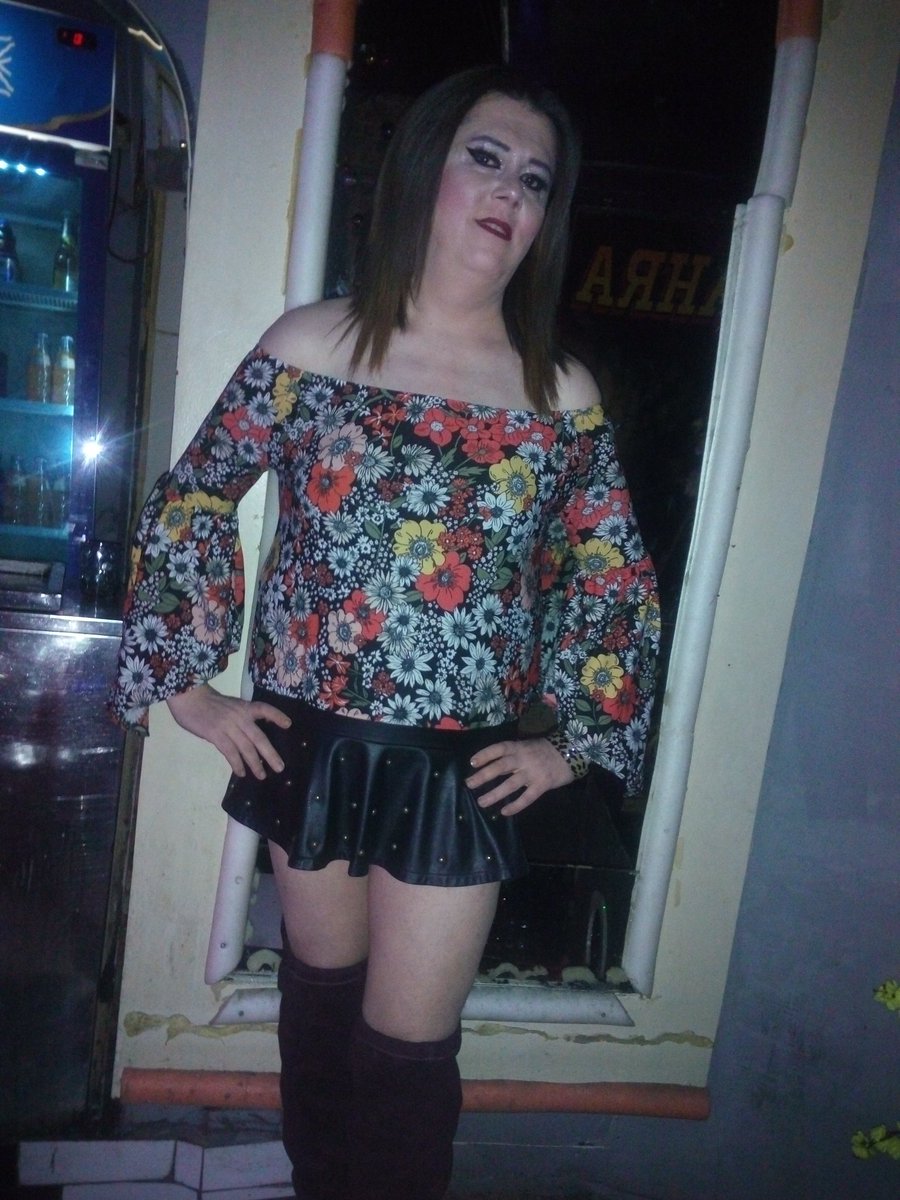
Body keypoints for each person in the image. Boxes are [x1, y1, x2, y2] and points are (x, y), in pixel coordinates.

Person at [110, 66, 660, 1200]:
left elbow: (610, 576)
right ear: (424, 170)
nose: (510, 192)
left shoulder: (560, 395)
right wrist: (189, 689)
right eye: (486, 158)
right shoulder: (312, 347)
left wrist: (573, 744)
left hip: (458, 771)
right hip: (308, 746)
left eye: (536, 179)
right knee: (318, 1021)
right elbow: (195, 495)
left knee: (409, 1061)